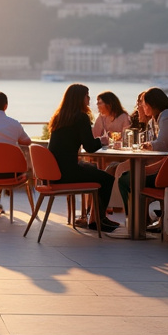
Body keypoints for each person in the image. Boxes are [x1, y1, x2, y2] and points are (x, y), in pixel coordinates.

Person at [46, 83, 118, 232]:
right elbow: (90, 146)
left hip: (54, 172)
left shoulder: (59, 117)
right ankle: (98, 220)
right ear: (80, 98)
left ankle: (94, 217)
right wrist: (102, 141)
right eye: (87, 95)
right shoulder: (80, 117)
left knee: (92, 168)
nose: (89, 98)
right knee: (107, 179)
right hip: (67, 172)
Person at [116, 87, 168, 226]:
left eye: (144, 104)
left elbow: (161, 143)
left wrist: (147, 145)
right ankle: (137, 220)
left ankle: (135, 221)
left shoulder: (167, 116)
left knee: (127, 179)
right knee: (127, 176)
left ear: (150, 104)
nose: (142, 108)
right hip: (167, 166)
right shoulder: (155, 120)